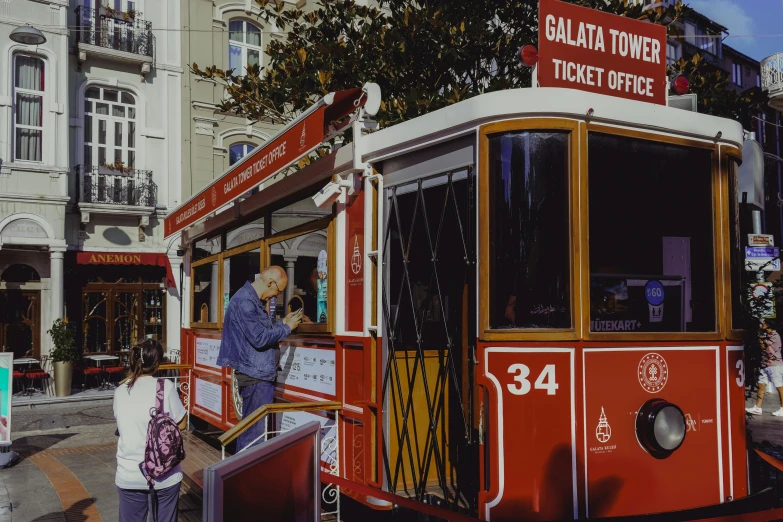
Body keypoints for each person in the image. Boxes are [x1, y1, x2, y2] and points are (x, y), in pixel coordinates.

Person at [217, 265, 302, 452]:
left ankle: (244, 475)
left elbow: (259, 332)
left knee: (252, 431)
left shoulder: (248, 300)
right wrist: (287, 328)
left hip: (256, 374)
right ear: (270, 283)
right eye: (278, 291)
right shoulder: (246, 302)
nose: (276, 296)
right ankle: (245, 478)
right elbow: (259, 338)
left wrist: (282, 323)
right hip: (256, 376)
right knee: (253, 435)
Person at [113, 339, 186, 522]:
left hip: (129, 472)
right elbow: (182, 423)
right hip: (165, 473)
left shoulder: (120, 391)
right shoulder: (165, 387)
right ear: (157, 363)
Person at [747, 325, 783, 417]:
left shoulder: (775, 336)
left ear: (768, 325)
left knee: (779, 386)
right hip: (765, 364)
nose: (761, 326)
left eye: (763, 324)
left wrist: (759, 336)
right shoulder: (767, 335)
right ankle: (757, 408)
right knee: (761, 384)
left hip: (774, 365)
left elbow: (765, 345)